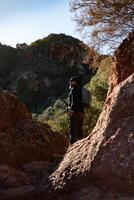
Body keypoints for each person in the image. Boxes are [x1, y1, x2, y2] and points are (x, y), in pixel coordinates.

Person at [68, 76, 84, 144]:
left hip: (75, 112)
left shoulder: (74, 89)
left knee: (73, 129)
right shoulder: (81, 89)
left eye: (72, 81)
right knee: (79, 130)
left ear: (75, 82)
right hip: (82, 112)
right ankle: (83, 143)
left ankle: (72, 145)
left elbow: (74, 101)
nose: (70, 82)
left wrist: (72, 110)